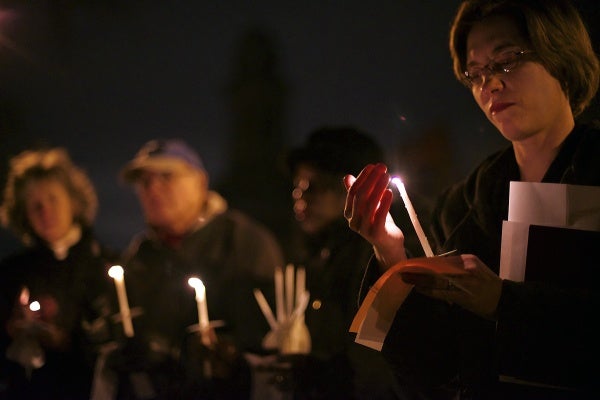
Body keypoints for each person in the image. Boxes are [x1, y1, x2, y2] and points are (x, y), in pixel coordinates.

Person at [343, 0, 599, 399]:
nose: (489, 85)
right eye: (475, 73)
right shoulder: (467, 203)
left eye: (508, 60)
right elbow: (432, 368)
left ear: (561, 54)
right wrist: (390, 253)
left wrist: (503, 302)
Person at [108, 138, 284, 399]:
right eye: (144, 182)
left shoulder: (243, 241)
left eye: (167, 177)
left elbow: (265, 340)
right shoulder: (139, 257)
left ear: (201, 182)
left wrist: (226, 354)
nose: (153, 189)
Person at [281, 126, 406, 399]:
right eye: (298, 184)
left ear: (357, 189)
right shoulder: (319, 250)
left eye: (316, 185)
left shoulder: (379, 253)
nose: (301, 195)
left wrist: (318, 374)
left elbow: (374, 366)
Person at [0, 147, 118, 399]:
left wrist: (70, 343)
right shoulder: (11, 273)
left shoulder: (107, 267)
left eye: (53, 199)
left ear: (73, 202)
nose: (46, 212)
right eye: (35, 206)